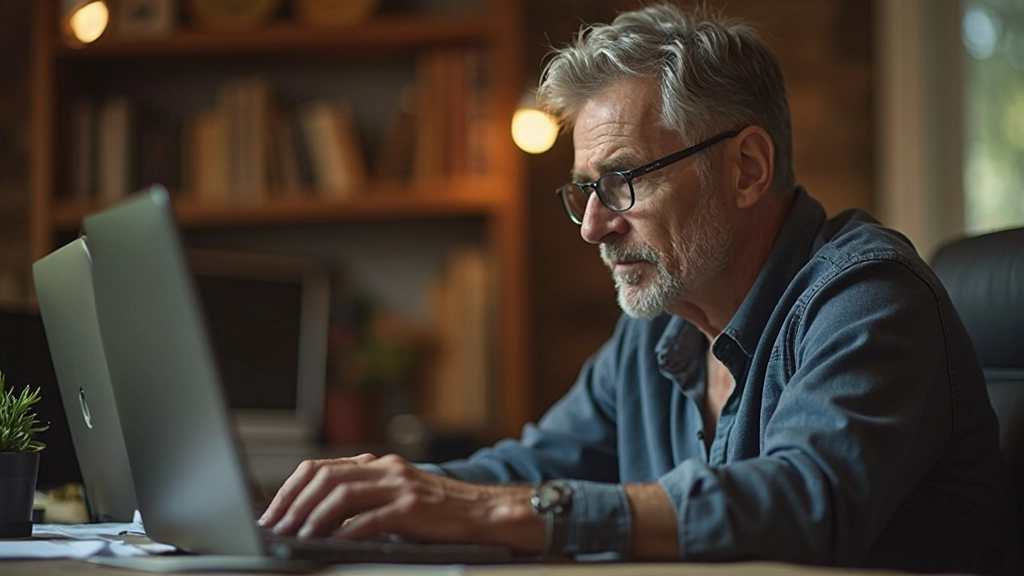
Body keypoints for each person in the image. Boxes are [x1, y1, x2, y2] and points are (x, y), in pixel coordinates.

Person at [259, 4, 1020, 573]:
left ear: (747, 169)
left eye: (621, 182)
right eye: (584, 190)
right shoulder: (661, 323)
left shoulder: (868, 294)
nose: (592, 226)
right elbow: (529, 470)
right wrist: (381, 498)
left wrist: (520, 513)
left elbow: (803, 503)